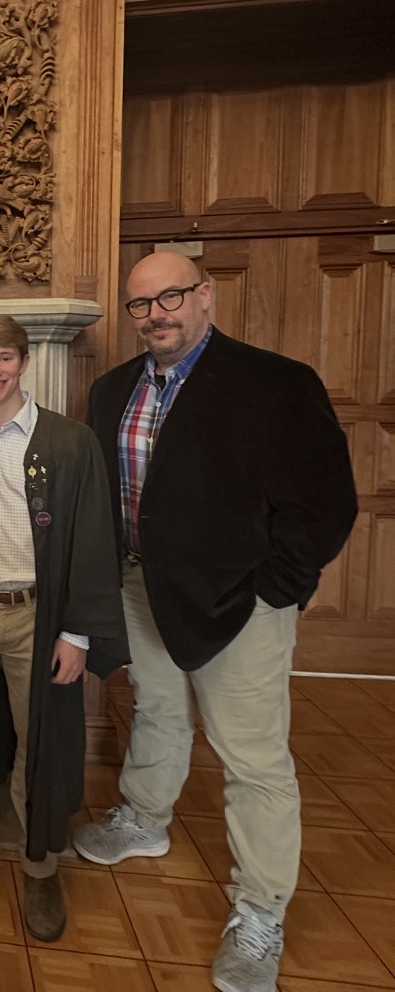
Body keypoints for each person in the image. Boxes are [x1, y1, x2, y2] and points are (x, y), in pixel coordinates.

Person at [73, 251, 357, 992]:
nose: (155, 315)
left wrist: (276, 589)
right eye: (141, 304)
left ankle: (261, 909)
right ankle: (145, 818)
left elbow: (326, 503)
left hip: (241, 601)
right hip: (142, 587)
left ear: (204, 295)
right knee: (158, 710)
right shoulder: (112, 390)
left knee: (254, 757)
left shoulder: (275, 383)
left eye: (170, 297)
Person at [0, 315, 129, 941]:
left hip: (37, 617)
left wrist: (78, 632)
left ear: (24, 362)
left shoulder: (68, 442)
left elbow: (94, 537)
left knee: (39, 739)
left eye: (4, 358)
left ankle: (40, 863)